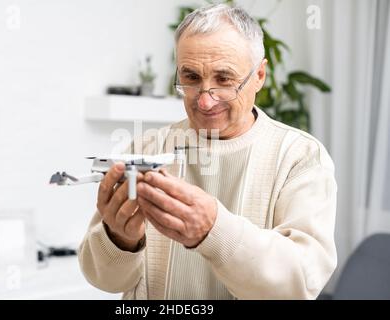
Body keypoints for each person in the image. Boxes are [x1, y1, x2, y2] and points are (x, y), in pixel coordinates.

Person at [78, 4, 337, 299]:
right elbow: (104, 279)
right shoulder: (144, 149)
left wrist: (214, 231)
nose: (205, 101)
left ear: (260, 75)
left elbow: (301, 282)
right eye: (190, 78)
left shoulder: (300, 157)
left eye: (224, 80)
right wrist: (119, 239)